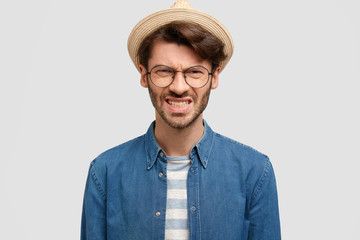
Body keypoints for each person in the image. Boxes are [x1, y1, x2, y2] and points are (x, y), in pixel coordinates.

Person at [81, 0, 281, 239]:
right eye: (164, 71)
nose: (178, 87)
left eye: (194, 72)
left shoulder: (255, 173)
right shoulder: (104, 173)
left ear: (214, 76)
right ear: (144, 75)